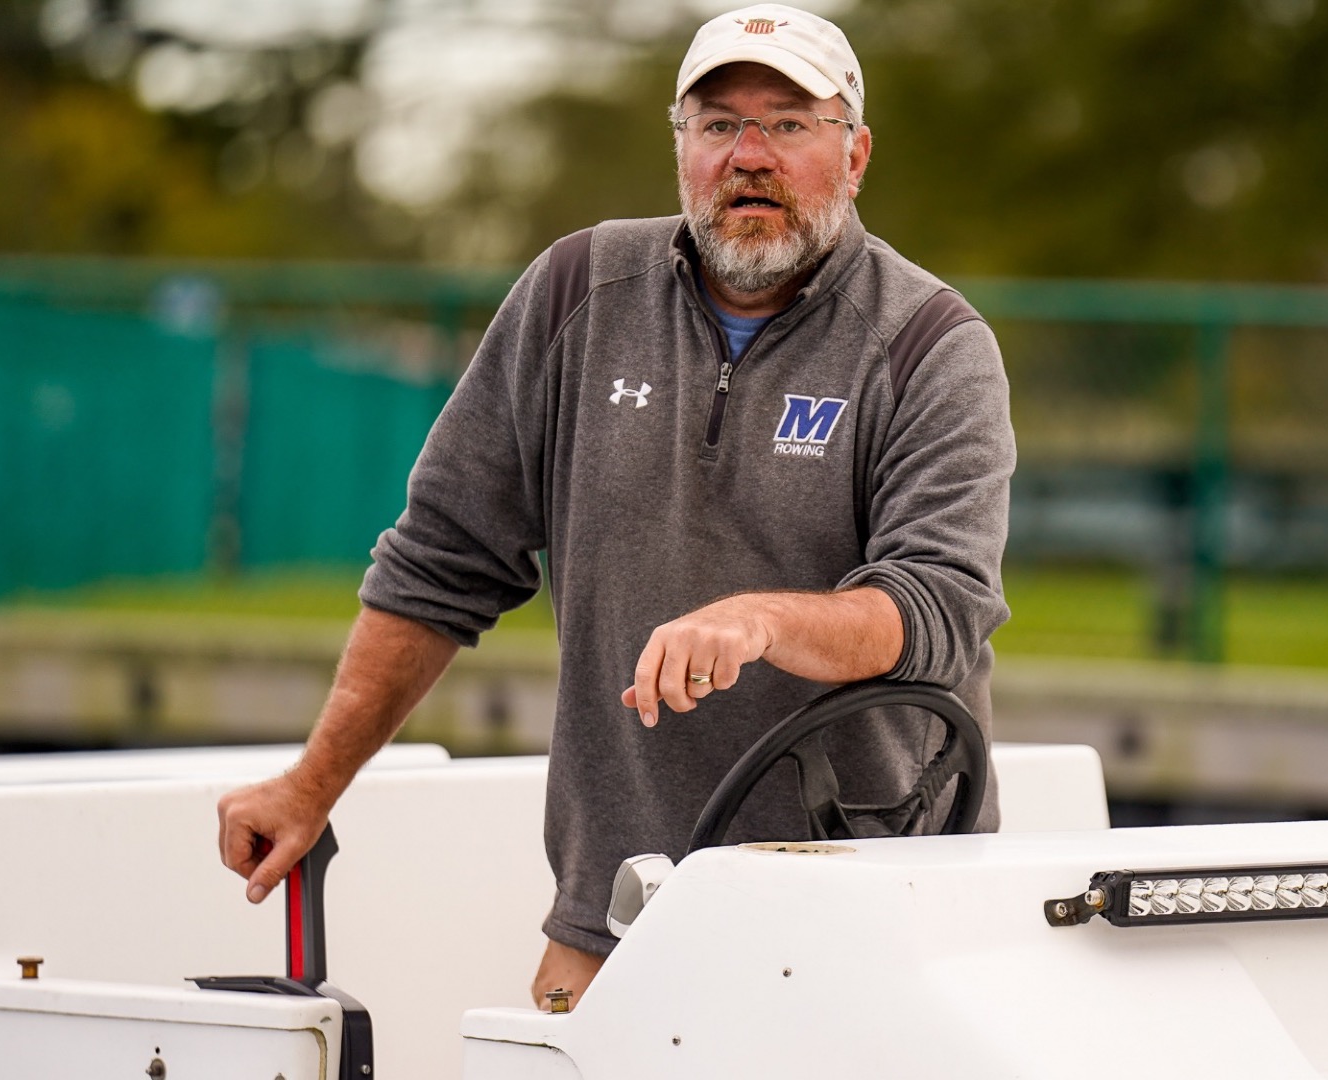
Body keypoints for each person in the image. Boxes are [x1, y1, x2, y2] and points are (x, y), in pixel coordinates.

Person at [216, 2, 1015, 1010]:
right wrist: (309, 785)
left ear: (855, 155)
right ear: (680, 147)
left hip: (884, 916)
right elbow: (438, 565)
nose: (750, 155)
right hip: (617, 918)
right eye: (718, 124)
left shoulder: (934, 344)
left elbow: (936, 611)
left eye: (789, 122)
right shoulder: (572, 292)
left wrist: (761, 619)